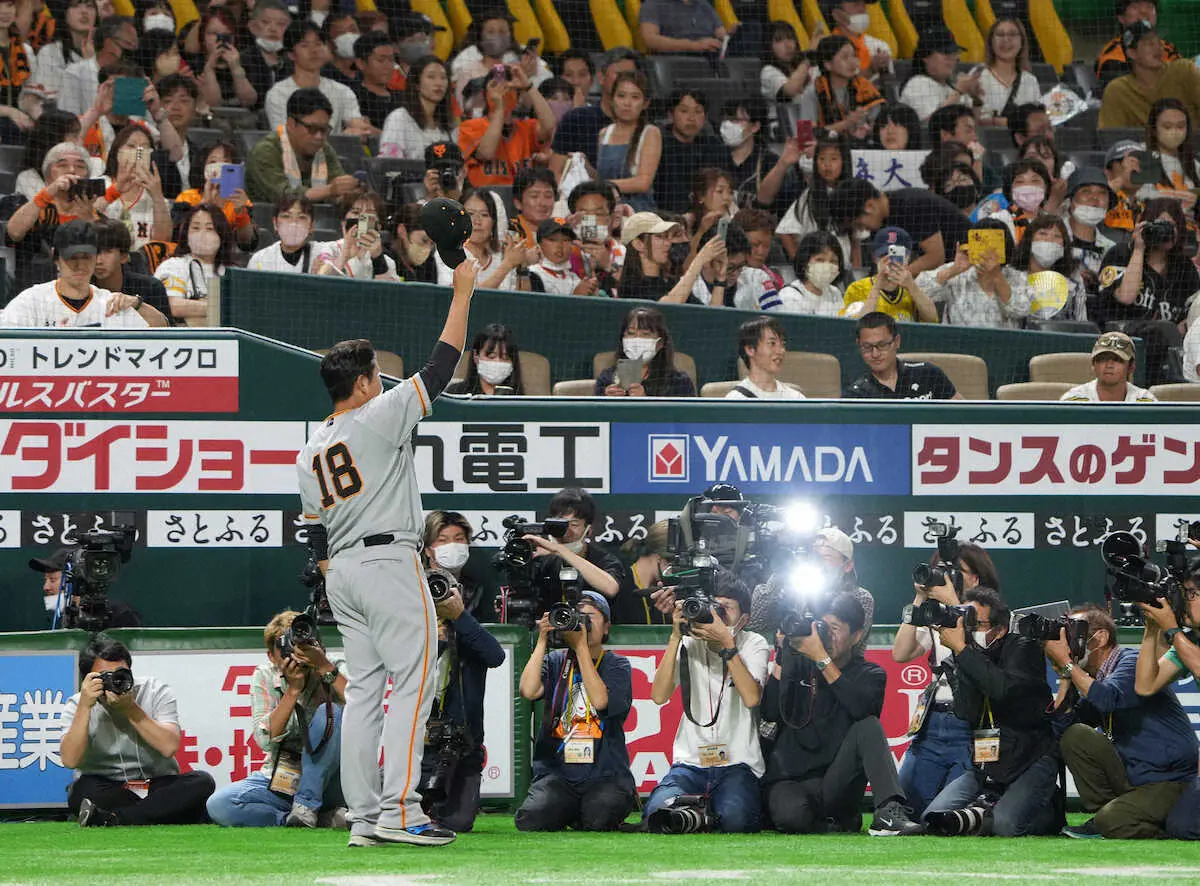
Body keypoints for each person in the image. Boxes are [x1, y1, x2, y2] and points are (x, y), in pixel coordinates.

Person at [295, 254, 480, 847]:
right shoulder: (375, 415)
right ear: (365, 383)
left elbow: (315, 531)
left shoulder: (310, 447)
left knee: (367, 693)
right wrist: (463, 294)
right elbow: (442, 366)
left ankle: (365, 819)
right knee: (416, 683)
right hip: (385, 562)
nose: (385, 381)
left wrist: (334, 575)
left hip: (345, 573)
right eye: (378, 373)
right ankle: (401, 811)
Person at [763, 592, 923, 836]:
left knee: (868, 726)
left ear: (856, 636)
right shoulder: (796, 666)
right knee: (792, 817)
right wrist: (782, 656)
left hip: (837, 780)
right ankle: (834, 823)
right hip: (791, 778)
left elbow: (861, 709)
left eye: (835, 628)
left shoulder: (870, 673)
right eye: (822, 626)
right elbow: (770, 712)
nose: (826, 634)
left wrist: (821, 659)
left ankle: (888, 812)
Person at [1049, 605, 1198, 839]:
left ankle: (1158, 825)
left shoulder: (1131, 663)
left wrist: (1070, 666)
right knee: (1075, 736)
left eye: (1072, 635)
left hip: (1170, 780)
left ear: (1100, 638)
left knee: (1112, 821)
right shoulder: (1095, 679)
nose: (1066, 645)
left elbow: (1109, 698)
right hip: (1135, 777)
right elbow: (1062, 729)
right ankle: (1106, 815)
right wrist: (1066, 679)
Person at [922, 587, 1062, 836]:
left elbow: (1001, 687)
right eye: (967, 622)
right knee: (933, 818)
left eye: (978, 623)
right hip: (988, 764)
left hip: (1030, 760)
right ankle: (985, 810)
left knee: (1005, 826)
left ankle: (1046, 807)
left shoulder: (1023, 647)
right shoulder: (962, 656)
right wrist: (961, 655)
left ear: (1000, 628)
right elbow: (966, 711)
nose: (970, 629)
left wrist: (963, 651)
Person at [643, 575, 769, 834]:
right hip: (690, 764)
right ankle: (705, 814)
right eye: (714, 605)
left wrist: (727, 645)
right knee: (656, 812)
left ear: (743, 619)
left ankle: (700, 814)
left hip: (737, 764)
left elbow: (751, 697)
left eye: (726, 609)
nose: (717, 614)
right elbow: (658, 696)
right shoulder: (690, 642)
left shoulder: (754, 643)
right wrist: (675, 637)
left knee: (736, 820)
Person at [206, 611, 348, 828]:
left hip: (333, 779)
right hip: (283, 779)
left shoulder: (332, 666)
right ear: (272, 656)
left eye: (300, 644)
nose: (296, 654)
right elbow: (264, 741)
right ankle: (308, 818)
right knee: (220, 805)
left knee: (331, 713)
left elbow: (362, 705)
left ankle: (307, 806)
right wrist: (292, 691)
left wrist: (323, 667)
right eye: (287, 649)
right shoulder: (264, 675)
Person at [515, 591, 637, 832]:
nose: (583, 623)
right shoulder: (555, 661)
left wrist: (580, 647)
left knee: (599, 819)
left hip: (605, 774)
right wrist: (542, 640)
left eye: (589, 617)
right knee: (531, 819)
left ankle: (578, 812)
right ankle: (569, 809)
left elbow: (601, 701)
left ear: (606, 627)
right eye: (577, 617)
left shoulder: (617, 664)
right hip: (558, 774)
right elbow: (528, 691)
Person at [892, 545, 999, 816]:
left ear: (975, 577)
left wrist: (953, 600)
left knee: (944, 816)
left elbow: (979, 660)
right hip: (931, 727)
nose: (945, 579)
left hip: (969, 729)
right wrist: (919, 598)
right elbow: (900, 653)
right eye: (940, 572)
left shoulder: (992, 618)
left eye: (954, 572)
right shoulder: (935, 617)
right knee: (907, 810)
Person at [62, 636, 214, 827]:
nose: (114, 682)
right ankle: (163, 812)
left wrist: (131, 709)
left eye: (121, 674)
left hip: (155, 784)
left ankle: (113, 819)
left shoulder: (154, 691)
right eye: (105, 677)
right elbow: (70, 760)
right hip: (110, 786)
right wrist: (85, 707)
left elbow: (169, 747)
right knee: (79, 791)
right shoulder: (77, 704)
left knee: (201, 782)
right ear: (87, 679)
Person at [420, 579, 505, 832]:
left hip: (460, 752)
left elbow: (495, 656)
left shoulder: (468, 635)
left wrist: (460, 616)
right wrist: (432, 638)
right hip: (416, 750)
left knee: (459, 822)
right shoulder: (411, 632)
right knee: (389, 810)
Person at [1097, 197, 1196, 384]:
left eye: (1171, 226)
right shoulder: (1120, 254)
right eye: (1159, 225)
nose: (1165, 231)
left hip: (1169, 354)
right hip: (1122, 347)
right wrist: (1139, 249)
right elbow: (1126, 297)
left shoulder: (1184, 267)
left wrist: (1184, 326)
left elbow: (1192, 313)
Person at [1133, 564, 1200, 840]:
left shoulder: (1185, 640)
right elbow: (1146, 685)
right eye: (1184, 592)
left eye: (1193, 593)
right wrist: (1152, 628)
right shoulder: (1191, 640)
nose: (1185, 600)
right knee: (1182, 825)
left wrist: (1173, 629)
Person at [1, 220, 163, 328]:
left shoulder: (111, 303)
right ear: (55, 257)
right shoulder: (31, 301)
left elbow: (162, 336)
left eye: (86, 257)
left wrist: (137, 303)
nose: (80, 266)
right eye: (72, 258)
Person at [2, 140, 98, 290]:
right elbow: (13, 233)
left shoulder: (95, 216)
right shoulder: (35, 210)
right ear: (47, 177)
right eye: (62, 165)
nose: (72, 170)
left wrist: (88, 219)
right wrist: (49, 192)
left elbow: (105, 259)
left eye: (80, 166)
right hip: (33, 292)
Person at [830, 178, 968, 274]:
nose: (861, 230)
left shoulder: (912, 204)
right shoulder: (881, 223)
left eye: (859, 224)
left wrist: (898, 276)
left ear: (870, 206)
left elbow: (936, 257)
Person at [246, 88, 360, 204]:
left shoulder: (324, 149)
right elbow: (284, 196)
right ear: (291, 124)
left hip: (314, 220)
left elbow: (337, 185)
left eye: (324, 129)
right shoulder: (265, 151)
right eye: (312, 129)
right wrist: (329, 190)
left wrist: (347, 190)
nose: (319, 136)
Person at [526, 487, 626, 614]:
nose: (566, 532)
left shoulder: (604, 560)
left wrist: (559, 550)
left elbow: (611, 588)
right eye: (560, 524)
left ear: (588, 530)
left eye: (574, 524)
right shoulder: (540, 560)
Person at [917, 220, 1032, 329]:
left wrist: (997, 277)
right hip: (958, 346)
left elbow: (1021, 310)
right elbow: (919, 289)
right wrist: (953, 270)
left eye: (992, 243)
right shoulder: (957, 272)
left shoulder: (1018, 277)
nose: (987, 249)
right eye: (980, 241)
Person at [458, 62, 556, 188]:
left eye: (509, 89)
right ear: (485, 94)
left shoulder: (526, 127)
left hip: (520, 199)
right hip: (484, 199)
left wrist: (528, 86)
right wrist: (499, 108)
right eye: (496, 87)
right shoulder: (469, 126)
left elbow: (549, 125)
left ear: (517, 96)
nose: (503, 93)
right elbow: (486, 153)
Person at [265, 20, 371, 135]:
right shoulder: (278, 93)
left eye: (318, 44)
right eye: (305, 45)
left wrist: (360, 129)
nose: (314, 51)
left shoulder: (342, 91)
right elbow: (282, 137)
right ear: (291, 54)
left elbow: (359, 126)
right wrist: (343, 136)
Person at [1099, 20, 1200, 129]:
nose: (1158, 48)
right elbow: (1110, 138)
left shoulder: (1184, 71)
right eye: (1149, 43)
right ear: (1132, 53)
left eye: (1158, 42)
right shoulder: (1118, 91)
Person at [551, 46, 640, 166]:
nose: (625, 81)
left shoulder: (645, 127)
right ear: (601, 78)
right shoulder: (576, 119)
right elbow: (556, 171)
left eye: (630, 75)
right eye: (619, 74)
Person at [844, 311, 960, 399]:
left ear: (897, 342)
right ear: (858, 344)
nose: (875, 354)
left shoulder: (929, 374)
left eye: (883, 345)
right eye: (867, 347)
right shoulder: (855, 395)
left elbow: (965, 415)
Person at [654, 87, 733, 213]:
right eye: (684, 111)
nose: (691, 118)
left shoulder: (714, 146)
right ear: (670, 115)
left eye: (698, 111)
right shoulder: (657, 142)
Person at [776, 130, 853, 261]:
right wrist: (799, 262)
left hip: (843, 269)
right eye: (822, 159)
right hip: (815, 271)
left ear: (844, 161)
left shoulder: (852, 195)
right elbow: (784, 232)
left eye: (834, 159)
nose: (827, 165)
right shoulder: (809, 197)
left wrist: (857, 273)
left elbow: (856, 241)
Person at [96, 123, 173, 252]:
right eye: (131, 146)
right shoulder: (99, 184)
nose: (138, 152)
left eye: (144, 147)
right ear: (116, 152)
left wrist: (157, 197)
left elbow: (162, 241)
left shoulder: (156, 196)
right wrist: (115, 191)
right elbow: (86, 219)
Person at [154, 203, 235, 324]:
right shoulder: (173, 266)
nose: (202, 235)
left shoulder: (233, 272)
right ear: (186, 233)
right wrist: (219, 308)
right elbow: (172, 305)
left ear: (222, 235)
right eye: (196, 228)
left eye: (210, 229)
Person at [841, 227, 939, 322]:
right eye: (885, 256)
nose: (891, 262)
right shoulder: (857, 288)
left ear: (907, 259)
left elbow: (932, 319)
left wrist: (912, 286)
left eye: (897, 257)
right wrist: (877, 287)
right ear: (875, 258)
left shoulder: (913, 291)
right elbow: (854, 326)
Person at [29, 546, 142, 628]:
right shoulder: (61, 619)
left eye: (52, 580)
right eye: (45, 580)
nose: (46, 587)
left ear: (75, 580)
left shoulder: (120, 617)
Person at [596, 70, 660, 213]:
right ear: (612, 100)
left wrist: (600, 186)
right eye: (621, 96)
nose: (627, 103)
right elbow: (601, 175)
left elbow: (643, 183)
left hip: (638, 212)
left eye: (635, 97)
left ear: (645, 103)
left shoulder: (650, 133)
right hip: (606, 210)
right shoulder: (604, 134)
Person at [596, 305, 696, 397]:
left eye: (645, 334)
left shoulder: (679, 382)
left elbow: (685, 415)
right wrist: (606, 399)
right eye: (631, 333)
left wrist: (645, 401)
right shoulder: (607, 378)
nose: (636, 340)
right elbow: (594, 412)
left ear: (660, 343)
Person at [799, 34, 884, 137]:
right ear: (828, 64)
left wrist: (869, 130)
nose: (852, 62)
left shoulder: (865, 88)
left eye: (854, 56)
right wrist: (846, 124)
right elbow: (805, 136)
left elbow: (881, 127)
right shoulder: (812, 92)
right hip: (825, 151)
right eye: (845, 57)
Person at [439, 188, 524, 291]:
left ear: (493, 223)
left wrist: (522, 268)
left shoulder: (500, 257)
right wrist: (507, 265)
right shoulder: (447, 254)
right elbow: (461, 299)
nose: (476, 221)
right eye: (470, 214)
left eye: (484, 215)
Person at [1011, 214, 1089, 322]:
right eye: (1043, 233)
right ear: (1029, 240)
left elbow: (1081, 324)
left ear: (1064, 245)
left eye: (1057, 236)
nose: (1049, 240)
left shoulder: (1074, 285)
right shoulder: (1012, 278)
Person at [91, 217, 172, 321]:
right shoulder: (81, 288)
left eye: (107, 251)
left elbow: (168, 331)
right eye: (94, 251)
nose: (98, 261)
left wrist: (138, 305)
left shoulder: (150, 287)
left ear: (123, 256)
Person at [57, 15, 137, 115]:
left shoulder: (133, 76)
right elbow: (67, 121)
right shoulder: (76, 73)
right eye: (127, 44)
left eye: (134, 46)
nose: (131, 50)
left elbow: (137, 120)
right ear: (109, 43)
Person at [421, 510, 493, 620]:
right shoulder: (418, 587)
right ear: (427, 550)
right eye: (442, 540)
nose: (452, 545)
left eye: (459, 539)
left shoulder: (475, 590)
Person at [313, 191, 400, 281]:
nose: (361, 219)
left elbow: (388, 293)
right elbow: (319, 281)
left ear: (379, 226)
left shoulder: (387, 262)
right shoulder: (328, 249)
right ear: (343, 222)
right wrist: (344, 256)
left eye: (369, 214)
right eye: (356, 213)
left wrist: (378, 259)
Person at [899, 28, 981, 123]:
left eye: (954, 53)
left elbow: (972, 126)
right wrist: (958, 92)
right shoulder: (917, 84)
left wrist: (976, 100)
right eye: (946, 52)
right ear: (925, 56)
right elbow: (931, 124)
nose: (952, 58)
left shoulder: (952, 86)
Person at [379, 54, 452, 159]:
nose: (439, 83)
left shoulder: (447, 126)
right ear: (416, 84)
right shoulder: (399, 118)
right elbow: (389, 166)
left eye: (443, 77)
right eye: (431, 77)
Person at [1096, 0, 1181, 86]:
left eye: (1149, 6)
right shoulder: (1113, 54)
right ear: (1121, 17)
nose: (1144, 11)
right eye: (1135, 7)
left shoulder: (1168, 49)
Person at [1061, 331, 1158, 403]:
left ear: (1131, 367)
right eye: (1102, 359)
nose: (1109, 365)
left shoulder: (1146, 402)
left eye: (1117, 360)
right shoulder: (1074, 400)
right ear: (1093, 364)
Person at [977, 18, 1040, 126]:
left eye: (1012, 34)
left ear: (1022, 42)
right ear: (991, 42)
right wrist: (997, 122)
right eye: (1000, 35)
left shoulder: (1030, 81)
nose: (1006, 39)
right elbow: (968, 120)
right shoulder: (978, 75)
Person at [1066, 167, 1119, 295]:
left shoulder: (1112, 250)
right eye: (1086, 191)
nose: (1095, 198)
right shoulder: (1052, 238)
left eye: (1102, 193)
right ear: (1070, 201)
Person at [725, 316, 804, 400]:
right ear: (750, 349)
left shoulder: (796, 398)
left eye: (782, 344)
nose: (780, 351)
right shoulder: (736, 400)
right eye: (772, 343)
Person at [33, 0, 96, 101]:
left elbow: (124, 106)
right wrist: (88, 65)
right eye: (75, 6)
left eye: (89, 6)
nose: (84, 11)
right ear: (64, 13)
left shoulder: (109, 51)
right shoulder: (50, 53)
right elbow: (53, 102)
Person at [196, 8, 258, 109]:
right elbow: (213, 104)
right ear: (203, 36)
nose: (220, 40)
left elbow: (249, 101)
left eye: (226, 35)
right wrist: (209, 70)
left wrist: (236, 68)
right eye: (213, 33)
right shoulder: (196, 63)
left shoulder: (248, 60)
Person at [772, 231, 845, 315]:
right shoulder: (790, 296)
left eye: (833, 261)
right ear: (805, 261)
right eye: (820, 260)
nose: (827, 266)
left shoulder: (835, 294)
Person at [247, 194, 322, 274]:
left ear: (311, 226)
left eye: (301, 217)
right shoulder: (260, 260)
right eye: (286, 216)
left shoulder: (322, 251)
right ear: (275, 224)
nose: (293, 224)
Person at [445, 323, 526, 396]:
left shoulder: (518, 399)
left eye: (505, 358)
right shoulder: (455, 394)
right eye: (491, 356)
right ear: (476, 356)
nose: (497, 362)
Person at [240, 0, 292, 111]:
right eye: (265, 22)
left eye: (281, 24)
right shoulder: (241, 60)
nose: (273, 29)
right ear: (252, 27)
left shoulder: (295, 62)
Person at [528, 218, 597, 295]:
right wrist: (576, 296)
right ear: (540, 244)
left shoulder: (575, 279)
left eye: (566, 240)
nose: (560, 245)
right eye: (552, 240)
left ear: (572, 246)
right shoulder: (532, 274)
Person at [826, 0, 891, 78]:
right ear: (837, 15)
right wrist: (870, 70)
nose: (862, 9)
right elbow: (837, 86)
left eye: (864, 4)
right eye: (855, 4)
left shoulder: (880, 46)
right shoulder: (826, 50)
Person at [352, 31, 402, 133]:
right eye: (381, 60)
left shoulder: (403, 99)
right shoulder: (353, 98)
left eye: (391, 60)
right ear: (361, 63)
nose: (387, 66)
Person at [638, 0, 725, 55]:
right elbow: (650, 40)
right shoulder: (653, 4)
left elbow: (721, 34)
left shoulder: (704, 5)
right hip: (676, 64)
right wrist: (694, 46)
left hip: (711, 60)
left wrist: (732, 36)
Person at [760, 19, 810, 106]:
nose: (788, 45)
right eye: (779, 40)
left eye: (790, 38)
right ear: (769, 46)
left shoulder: (802, 66)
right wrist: (808, 60)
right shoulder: (768, 71)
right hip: (783, 119)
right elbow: (790, 91)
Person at [511, 166, 558, 247]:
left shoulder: (561, 229)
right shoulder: (509, 232)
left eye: (548, 196)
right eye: (534, 196)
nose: (542, 203)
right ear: (518, 203)